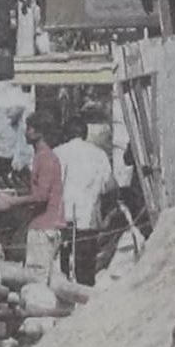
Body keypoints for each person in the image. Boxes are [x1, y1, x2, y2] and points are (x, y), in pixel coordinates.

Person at [0, 111, 65, 284]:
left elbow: (42, 196)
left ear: (39, 132)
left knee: (37, 279)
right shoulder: (41, 157)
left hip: (43, 227)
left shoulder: (45, 158)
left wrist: (11, 202)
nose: (26, 132)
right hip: (42, 225)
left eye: (30, 128)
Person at [54, 116, 116, 286]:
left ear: (66, 134)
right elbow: (109, 186)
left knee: (64, 267)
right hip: (89, 219)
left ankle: (66, 293)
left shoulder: (58, 153)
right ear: (85, 134)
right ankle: (85, 293)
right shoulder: (99, 154)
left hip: (64, 219)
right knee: (86, 268)